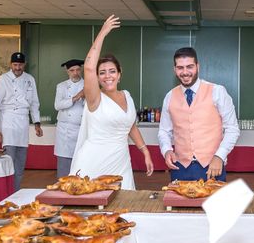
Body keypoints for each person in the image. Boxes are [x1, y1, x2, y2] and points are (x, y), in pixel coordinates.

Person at [70, 15, 153, 190]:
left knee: (123, 207)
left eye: (112, 71)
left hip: (121, 162)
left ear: (119, 74)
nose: (108, 76)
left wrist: (145, 151)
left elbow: (130, 126)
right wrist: (103, 33)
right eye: (102, 73)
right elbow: (89, 67)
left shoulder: (127, 96)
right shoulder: (95, 98)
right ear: (97, 77)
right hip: (94, 161)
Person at [158, 47, 240, 181]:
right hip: (179, 169)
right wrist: (167, 150)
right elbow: (164, 131)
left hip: (212, 167)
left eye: (189, 67)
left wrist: (219, 156)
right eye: (180, 68)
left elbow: (232, 129)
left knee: (214, 202)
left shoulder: (218, 92)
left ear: (198, 66)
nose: (185, 72)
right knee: (178, 202)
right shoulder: (169, 96)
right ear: (174, 70)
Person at [0, 52, 43, 190]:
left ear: (24, 64)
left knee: (20, 163)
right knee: (9, 161)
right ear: (10, 64)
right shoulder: (2, 80)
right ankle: (5, 192)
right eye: (15, 64)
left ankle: (16, 191)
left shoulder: (30, 79)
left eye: (20, 65)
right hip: (7, 123)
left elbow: (35, 103)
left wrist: (37, 123)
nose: (17, 67)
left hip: (23, 123)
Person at [54, 59, 85, 178]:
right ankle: (61, 192)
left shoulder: (88, 85)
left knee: (81, 164)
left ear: (81, 70)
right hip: (64, 130)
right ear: (67, 71)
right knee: (64, 167)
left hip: (81, 128)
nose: (75, 73)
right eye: (72, 70)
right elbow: (57, 105)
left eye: (77, 70)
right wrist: (75, 98)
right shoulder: (61, 86)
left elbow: (91, 107)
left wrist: (85, 97)